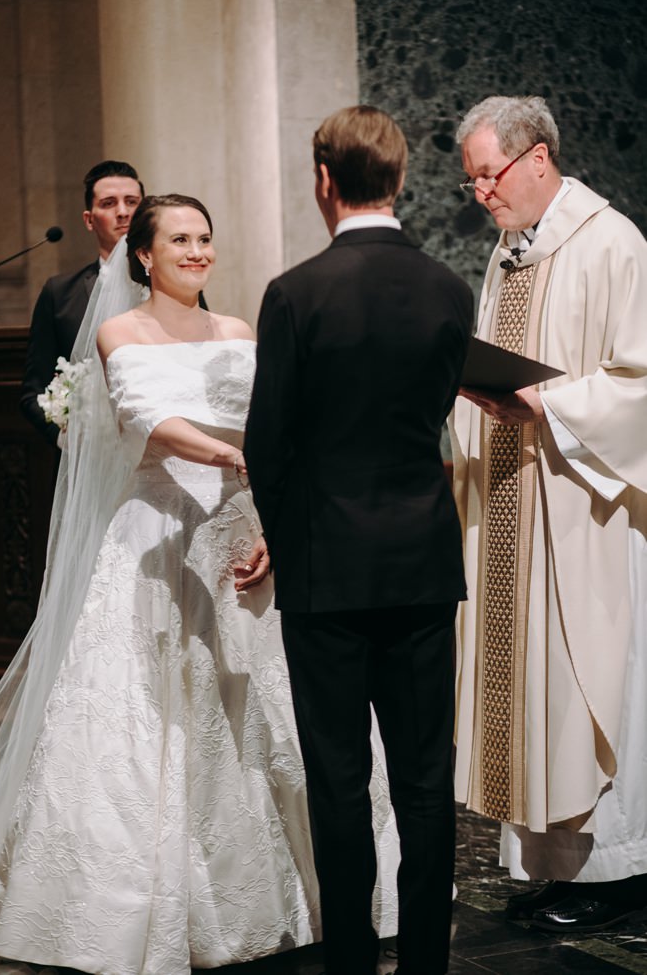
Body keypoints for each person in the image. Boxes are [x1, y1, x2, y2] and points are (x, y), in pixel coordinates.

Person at [0, 194, 400, 974]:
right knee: (147, 717)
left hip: (244, 532)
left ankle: (320, 899)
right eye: (180, 239)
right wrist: (233, 458)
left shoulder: (240, 330)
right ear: (142, 255)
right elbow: (149, 419)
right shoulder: (119, 331)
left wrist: (272, 516)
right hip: (157, 535)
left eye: (206, 237)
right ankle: (139, 907)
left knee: (274, 710)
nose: (197, 251)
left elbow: (278, 421)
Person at [245, 106, 473, 975]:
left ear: (325, 181)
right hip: (420, 563)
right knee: (423, 781)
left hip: (326, 570)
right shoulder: (451, 289)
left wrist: (290, 536)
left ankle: (349, 961)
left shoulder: (295, 292)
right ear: (403, 181)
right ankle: (424, 964)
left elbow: (269, 444)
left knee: (337, 777)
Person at [451, 94, 647, 932]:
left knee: (586, 677)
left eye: (488, 176)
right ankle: (551, 866)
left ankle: (616, 867)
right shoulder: (509, 255)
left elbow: (638, 379)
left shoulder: (613, 243)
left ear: (538, 157)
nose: (482, 195)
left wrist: (550, 406)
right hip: (510, 503)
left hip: (583, 513)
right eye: (472, 184)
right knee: (527, 686)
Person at [19, 160, 144, 440]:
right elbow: (33, 392)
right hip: (85, 453)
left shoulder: (172, 285)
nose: (123, 212)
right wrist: (69, 438)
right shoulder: (60, 293)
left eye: (132, 202)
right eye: (109, 203)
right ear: (89, 219)